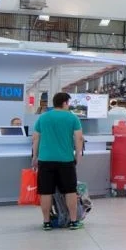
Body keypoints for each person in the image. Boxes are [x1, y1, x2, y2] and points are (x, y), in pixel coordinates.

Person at [31, 93, 85, 230]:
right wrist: (78, 155)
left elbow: (36, 138)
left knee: (46, 192)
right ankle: (73, 221)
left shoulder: (43, 118)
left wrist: (34, 157)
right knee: (70, 191)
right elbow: (79, 138)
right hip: (66, 160)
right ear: (65, 103)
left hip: (45, 160)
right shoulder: (72, 118)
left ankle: (46, 222)